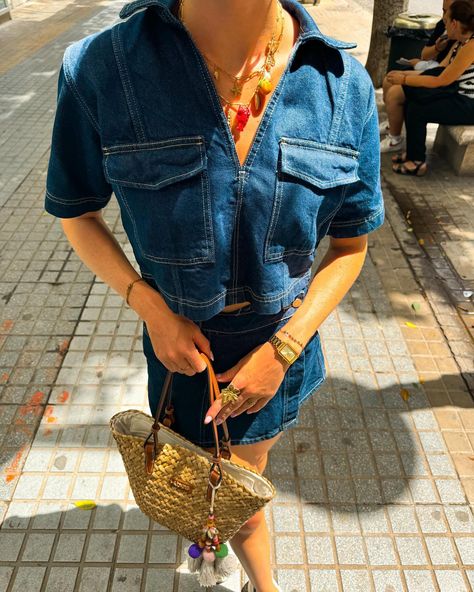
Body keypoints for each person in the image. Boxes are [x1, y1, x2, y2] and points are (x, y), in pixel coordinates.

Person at [43, 0, 384, 590]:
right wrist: (151, 309)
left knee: (241, 488)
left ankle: (250, 574)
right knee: (205, 484)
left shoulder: (342, 86)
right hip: (178, 346)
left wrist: (281, 353)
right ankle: (214, 547)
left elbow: (350, 248)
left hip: (276, 348)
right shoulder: (103, 67)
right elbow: (78, 213)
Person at [386, 0, 474, 176]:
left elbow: (441, 80)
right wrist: (411, 75)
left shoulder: (470, 47)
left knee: (418, 109)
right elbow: (441, 69)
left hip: (468, 105)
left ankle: (417, 162)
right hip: (459, 95)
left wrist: (404, 80)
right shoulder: (462, 42)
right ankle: (413, 155)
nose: (444, 23)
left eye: (446, 20)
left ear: (455, 23)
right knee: (414, 102)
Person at [380, 0, 456, 151]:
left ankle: (396, 141)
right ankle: (393, 125)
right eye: (443, 10)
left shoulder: (466, 41)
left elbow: (443, 76)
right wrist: (437, 48)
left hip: (448, 82)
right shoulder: (446, 27)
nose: (444, 17)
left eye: (449, 12)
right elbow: (430, 59)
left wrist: (407, 78)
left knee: (397, 92)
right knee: (390, 78)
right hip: (437, 71)